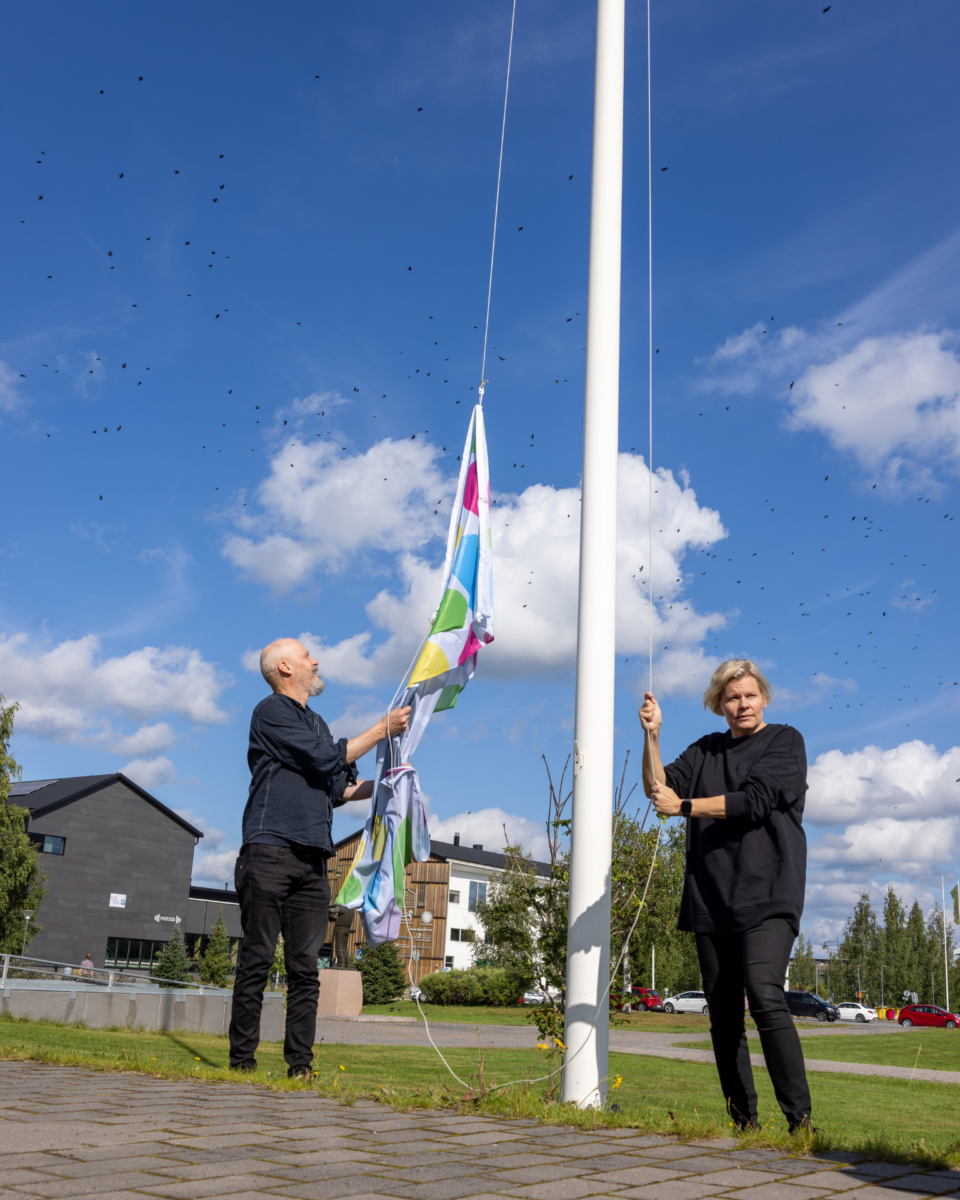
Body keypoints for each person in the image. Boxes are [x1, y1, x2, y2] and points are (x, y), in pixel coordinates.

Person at [640, 659, 812, 1133]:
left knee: (763, 994)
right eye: (733, 698)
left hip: (769, 896)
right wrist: (652, 737)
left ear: (764, 699)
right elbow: (659, 790)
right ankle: (744, 1125)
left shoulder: (785, 741)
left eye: (750, 695)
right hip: (711, 898)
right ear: (719, 705)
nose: (743, 705)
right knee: (723, 1017)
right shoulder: (704, 751)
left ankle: (801, 1124)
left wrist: (686, 806)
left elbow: (754, 801)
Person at [229, 637, 410, 1078]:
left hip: (312, 859)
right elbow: (322, 758)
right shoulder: (270, 711)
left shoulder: (320, 723)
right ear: (287, 667)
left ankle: (300, 1067)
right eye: (308, 655)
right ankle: (241, 1064)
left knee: (306, 968)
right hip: (269, 848)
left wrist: (388, 784)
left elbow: (337, 788)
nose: (316, 660)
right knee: (257, 958)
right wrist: (379, 730)